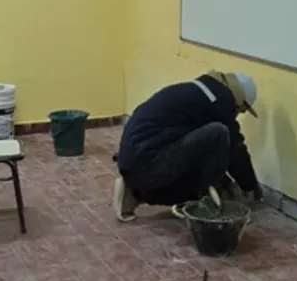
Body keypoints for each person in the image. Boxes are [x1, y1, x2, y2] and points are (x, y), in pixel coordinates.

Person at [113, 70, 263, 222]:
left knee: (198, 181)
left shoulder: (202, 91)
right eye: (241, 110)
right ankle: (207, 206)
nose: (237, 114)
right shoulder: (220, 101)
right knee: (219, 133)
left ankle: (134, 192)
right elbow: (235, 149)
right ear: (239, 100)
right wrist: (250, 186)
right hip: (147, 162)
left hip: (134, 159)